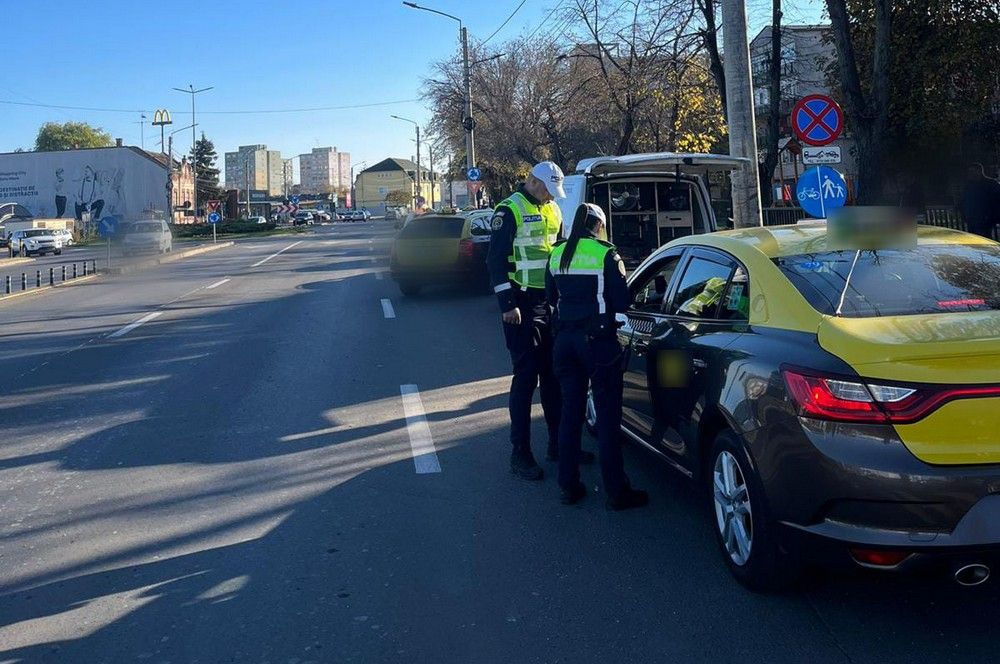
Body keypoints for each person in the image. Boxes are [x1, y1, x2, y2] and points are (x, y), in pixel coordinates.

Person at [488, 161, 594, 480]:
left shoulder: (554, 210)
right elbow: (495, 259)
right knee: (526, 378)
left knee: (554, 377)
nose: (551, 196)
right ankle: (520, 454)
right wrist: (507, 303)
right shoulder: (509, 210)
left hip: (548, 303)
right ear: (533, 181)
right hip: (520, 303)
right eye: (548, 189)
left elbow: (559, 253)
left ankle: (558, 445)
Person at [546, 203, 648, 510]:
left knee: (570, 414)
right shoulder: (606, 253)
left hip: (564, 341)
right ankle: (617, 492)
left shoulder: (557, 253)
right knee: (607, 418)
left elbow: (551, 297)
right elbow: (622, 299)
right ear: (599, 225)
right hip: (597, 343)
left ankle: (568, 486)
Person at [960, 163, 1000, 239]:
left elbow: (997, 200)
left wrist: (992, 216)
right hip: (972, 218)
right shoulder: (969, 185)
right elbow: (963, 200)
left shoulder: (991, 184)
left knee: (984, 239)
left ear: (979, 171)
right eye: (969, 171)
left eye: (972, 171)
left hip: (985, 219)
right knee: (975, 240)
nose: (970, 173)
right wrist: (964, 214)